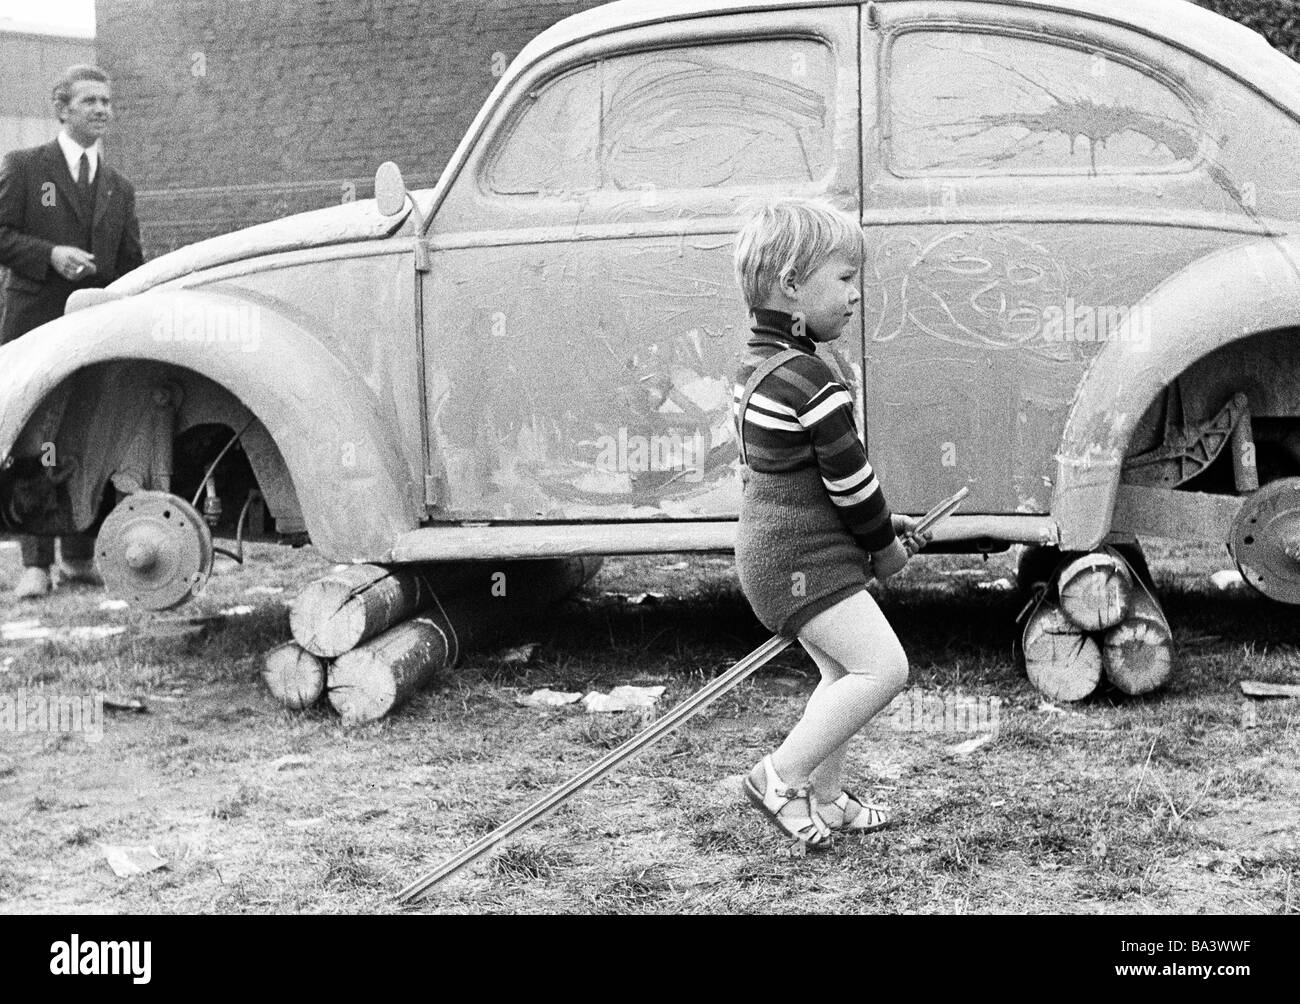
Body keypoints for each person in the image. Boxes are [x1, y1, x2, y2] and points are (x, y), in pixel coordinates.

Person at [731, 198, 925, 849]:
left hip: (782, 557)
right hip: (801, 564)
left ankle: (828, 797)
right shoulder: (811, 381)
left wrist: (870, 531)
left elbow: (804, 485)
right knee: (884, 670)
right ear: (791, 283)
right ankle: (779, 776)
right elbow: (851, 482)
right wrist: (886, 546)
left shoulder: (757, 371)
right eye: (844, 279)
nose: (855, 295)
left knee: (843, 675)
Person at [0, 64, 144, 598]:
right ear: (62, 110)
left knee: (81, 436)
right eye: (90, 101)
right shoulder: (25, 166)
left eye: (107, 101)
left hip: (93, 333)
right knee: (34, 441)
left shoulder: (117, 188)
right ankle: (36, 564)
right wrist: (49, 255)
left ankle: (80, 555)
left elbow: (130, 261)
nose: (102, 109)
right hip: (32, 327)